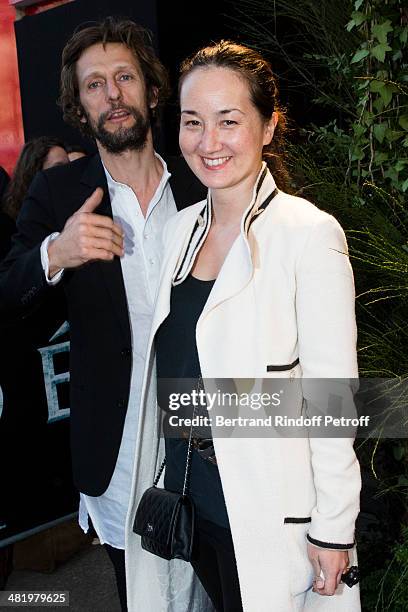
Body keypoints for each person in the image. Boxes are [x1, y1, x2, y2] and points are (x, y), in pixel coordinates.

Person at [125, 41, 361, 611]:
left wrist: (333, 528)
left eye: (229, 121)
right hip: (187, 501)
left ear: (269, 126)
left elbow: (332, 398)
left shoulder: (308, 235)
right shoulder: (179, 232)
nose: (209, 142)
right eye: (192, 122)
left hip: (265, 510)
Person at [0, 17, 207, 611]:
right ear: (80, 104)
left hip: (208, 437)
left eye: (124, 77)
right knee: (143, 596)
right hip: (120, 452)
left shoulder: (199, 183)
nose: (112, 94)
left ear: (150, 88)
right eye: (95, 85)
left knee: (226, 586)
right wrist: (57, 253)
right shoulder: (60, 193)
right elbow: (6, 292)